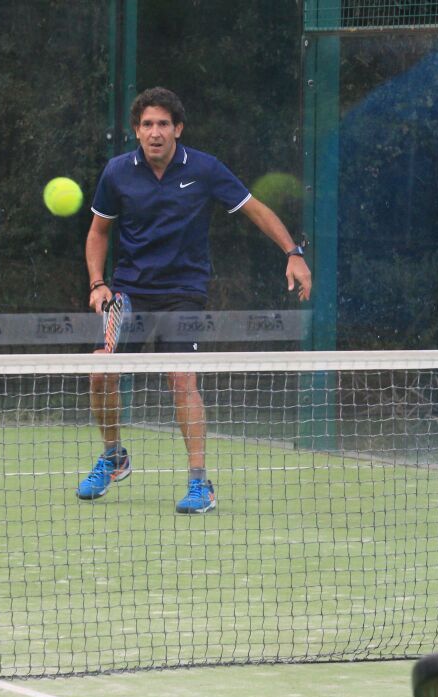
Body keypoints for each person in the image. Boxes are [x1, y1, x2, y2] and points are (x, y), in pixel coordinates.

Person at [78, 86, 312, 513]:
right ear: (136, 130)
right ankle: (114, 456)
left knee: (182, 379)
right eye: (147, 124)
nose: (155, 132)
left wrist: (292, 253)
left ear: (178, 129)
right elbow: (98, 232)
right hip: (129, 294)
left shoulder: (204, 169)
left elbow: (254, 208)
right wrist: (98, 283)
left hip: (184, 294)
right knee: (100, 373)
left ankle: (199, 484)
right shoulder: (117, 173)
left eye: (163, 124)